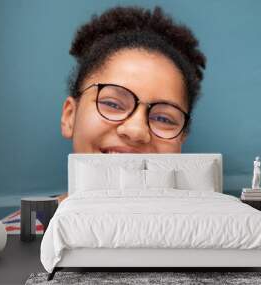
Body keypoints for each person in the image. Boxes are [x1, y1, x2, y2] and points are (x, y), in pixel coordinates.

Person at [58, 6, 206, 203]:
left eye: (163, 118)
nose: (136, 131)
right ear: (70, 116)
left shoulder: (212, 233)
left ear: (182, 139)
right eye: (113, 104)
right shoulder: (14, 232)